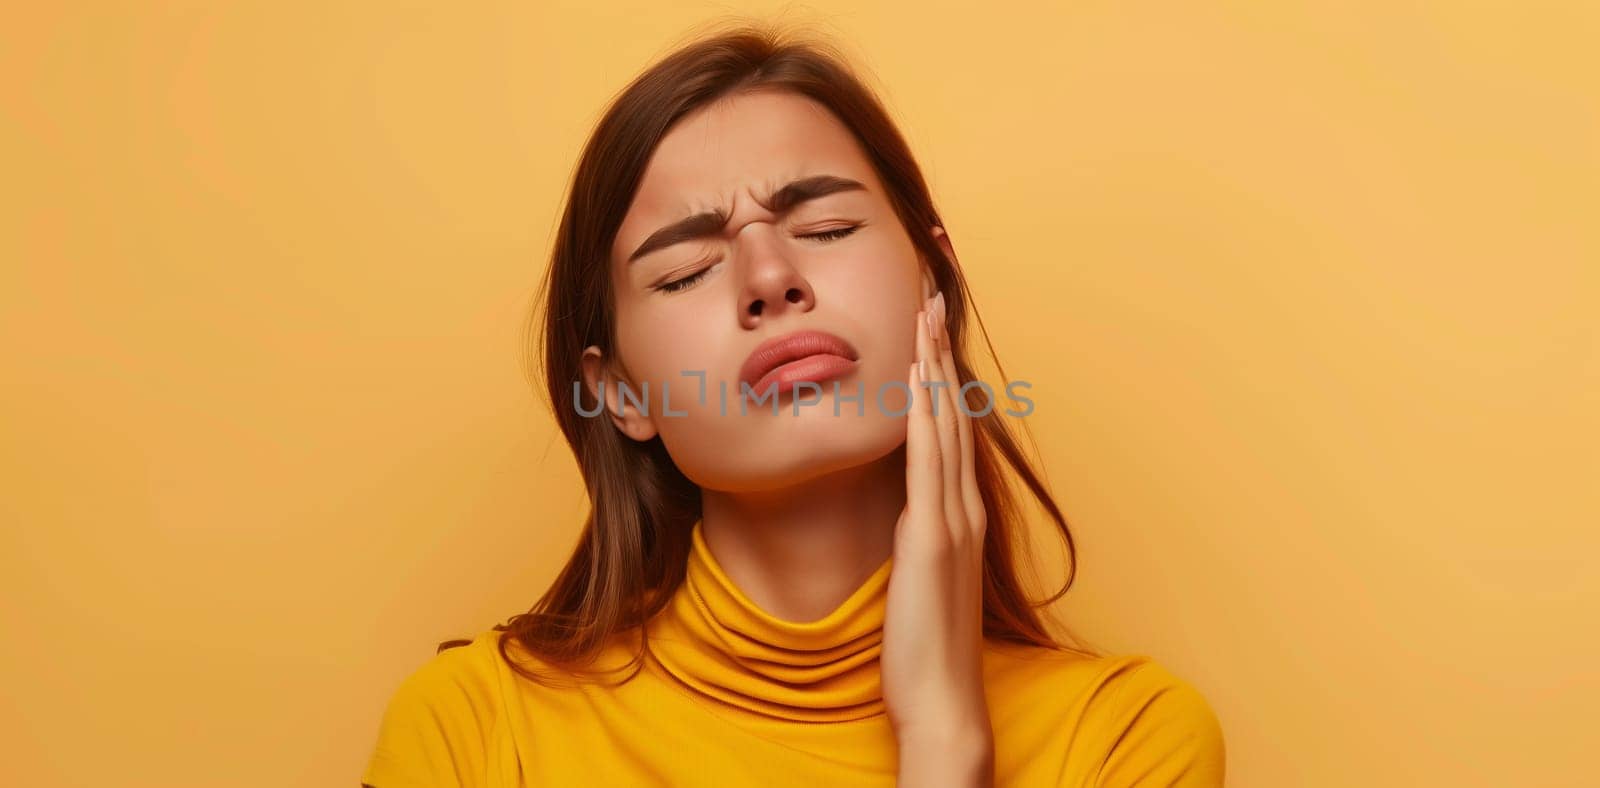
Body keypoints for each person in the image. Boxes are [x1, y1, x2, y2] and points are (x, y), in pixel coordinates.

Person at [362, 21, 1225, 788]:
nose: (770, 279)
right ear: (619, 392)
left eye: (826, 230)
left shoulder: (1128, 743)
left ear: (936, 278)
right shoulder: (474, 730)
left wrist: (946, 735)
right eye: (686, 270)